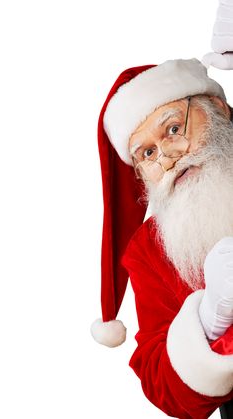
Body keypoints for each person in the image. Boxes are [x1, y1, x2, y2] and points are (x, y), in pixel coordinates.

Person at [91, 58, 233, 418]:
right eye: (148, 153)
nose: (168, 157)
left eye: (172, 129)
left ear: (217, 109)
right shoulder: (149, 250)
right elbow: (163, 387)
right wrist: (208, 320)